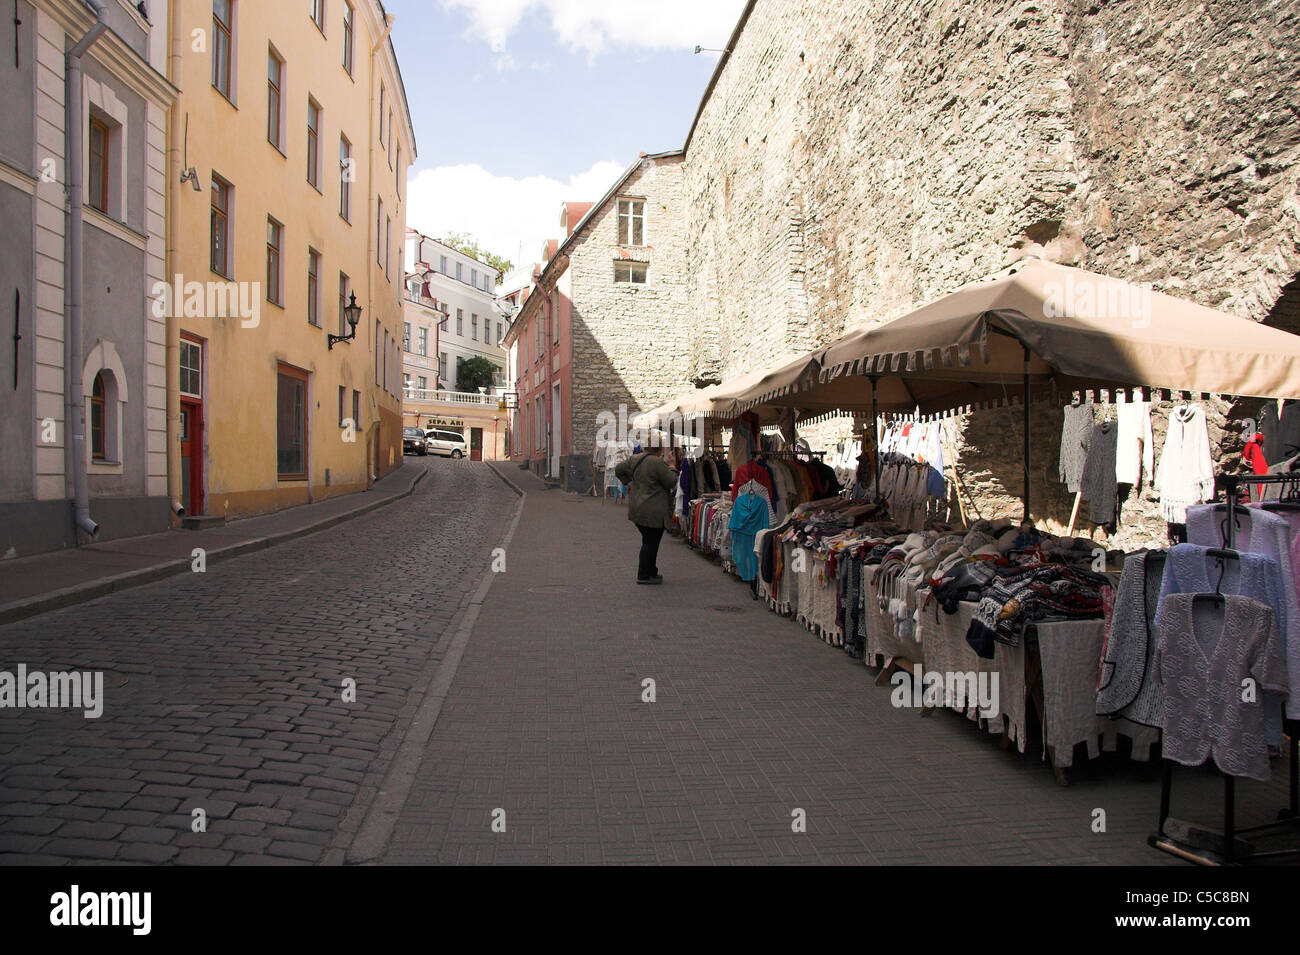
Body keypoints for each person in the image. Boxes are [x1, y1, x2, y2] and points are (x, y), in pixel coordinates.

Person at [615, 442, 678, 584]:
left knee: (649, 541)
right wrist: (672, 467)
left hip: (638, 507)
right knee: (650, 543)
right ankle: (643, 575)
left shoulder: (635, 459)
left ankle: (651, 571)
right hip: (653, 510)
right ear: (659, 448)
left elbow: (619, 469)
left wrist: (629, 482)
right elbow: (671, 481)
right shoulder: (656, 462)